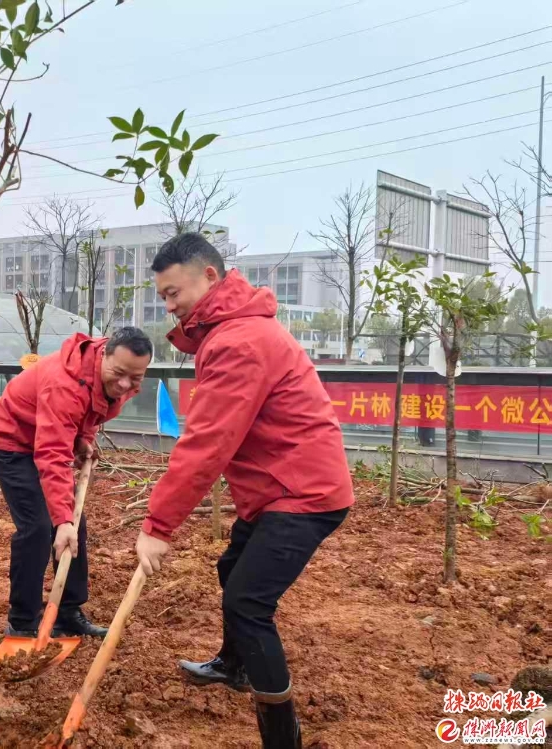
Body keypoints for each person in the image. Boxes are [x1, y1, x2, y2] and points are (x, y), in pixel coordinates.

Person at [134, 233, 354, 749]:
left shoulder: (239, 342)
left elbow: (207, 443)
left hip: (303, 494)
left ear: (210, 277)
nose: (169, 305)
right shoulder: (232, 332)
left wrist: (158, 525)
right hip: (280, 487)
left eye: (173, 292)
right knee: (232, 568)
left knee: (248, 603)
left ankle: (283, 737)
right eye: (162, 297)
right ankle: (234, 666)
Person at [0, 327, 153, 639]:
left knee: (76, 527)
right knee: (38, 528)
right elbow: (51, 454)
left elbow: (92, 412)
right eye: (119, 374)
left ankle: (67, 612)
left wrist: (83, 439)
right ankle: (22, 622)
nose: (126, 384)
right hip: (12, 442)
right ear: (103, 355)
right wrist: (61, 519)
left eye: (136, 378)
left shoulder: (116, 374)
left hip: (46, 436)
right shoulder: (64, 384)